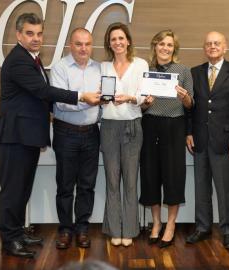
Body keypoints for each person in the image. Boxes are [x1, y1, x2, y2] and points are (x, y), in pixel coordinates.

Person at [0, 13, 99, 258]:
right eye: (30, 33)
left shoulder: (33, 58)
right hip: (15, 136)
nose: (36, 38)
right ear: (19, 34)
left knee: (22, 189)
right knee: (12, 190)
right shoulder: (18, 60)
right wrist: (80, 96)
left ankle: (18, 232)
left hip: (27, 136)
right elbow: (43, 90)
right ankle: (10, 239)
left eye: (39, 33)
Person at [185, 32, 229, 249]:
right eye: (209, 43)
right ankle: (202, 228)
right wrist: (189, 132)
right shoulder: (195, 72)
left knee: (225, 189)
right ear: (204, 48)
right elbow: (191, 108)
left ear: (225, 47)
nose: (212, 46)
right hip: (200, 140)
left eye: (216, 43)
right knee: (201, 188)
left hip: (226, 140)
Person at [139, 29, 193, 248]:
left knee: (173, 176)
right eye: (161, 44)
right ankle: (156, 224)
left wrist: (185, 97)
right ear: (155, 46)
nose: (165, 48)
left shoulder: (183, 71)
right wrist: (145, 104)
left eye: (169, 45)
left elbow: (191, 105)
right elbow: (140, 105)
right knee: (150, 175)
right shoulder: (146, 70)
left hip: (174, 126)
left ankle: (170, 225)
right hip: (150, 125)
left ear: (174, 49)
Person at [50, 28, 101, 249]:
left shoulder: (99, 68)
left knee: (87, 185)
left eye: (87, 44)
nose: (83, 48)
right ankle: (65, 229)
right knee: (65, 185)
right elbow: (60, 102)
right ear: (71, 45)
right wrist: (87, 100)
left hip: (92, 133)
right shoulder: (60, 68)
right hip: (65, 133)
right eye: (79, 44)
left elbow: (104, 98)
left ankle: (82, 228)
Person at [100, 22, 149, 247]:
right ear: (109, 44)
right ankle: (113, 228)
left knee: (130, 181)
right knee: (112, 180)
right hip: (109, 126)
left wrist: (130, 98)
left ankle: (129, 228)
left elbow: (145, 96)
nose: (117, 42)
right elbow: (99, 96)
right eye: (113, 39)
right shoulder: (102, 67)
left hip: (132, 126)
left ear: (128, 40)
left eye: (121, 38)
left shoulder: (141, 64)